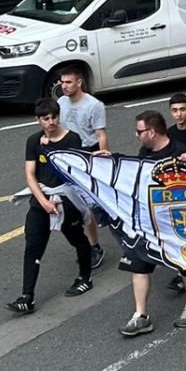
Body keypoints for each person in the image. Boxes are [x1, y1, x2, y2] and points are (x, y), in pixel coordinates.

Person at [120, 111, 186, 335]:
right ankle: (141, 315)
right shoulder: (144, 153)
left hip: (178, 221)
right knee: (138, 262)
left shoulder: (182, 152)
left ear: (151, 132)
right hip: (150, 220)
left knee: (185, 262)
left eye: (139, 131)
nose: (136, 135)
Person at [7, 99, 93, 315]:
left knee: (76, 237)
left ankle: (85, 276)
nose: (51, 122)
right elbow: (30, 175)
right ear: (38, 120)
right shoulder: (33, 141)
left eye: (54, 117)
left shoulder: (72, 139)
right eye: (46, 118)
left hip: (66, 197)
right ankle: (27, 296)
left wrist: (59, 199)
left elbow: (76, 171)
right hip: (42, 199)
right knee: (33, 246)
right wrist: (44, 201)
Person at [53, 68, 112, 270]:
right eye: (62, 82)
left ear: (79, 83)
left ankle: (96, 245)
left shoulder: (94, 105)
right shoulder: (61, 103)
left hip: (89, 155)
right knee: (78, 205)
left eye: (69, 82)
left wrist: (103, 158)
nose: (64, 86)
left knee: (91, 205)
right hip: (68, 157)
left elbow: (100, 134)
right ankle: (93, 244)